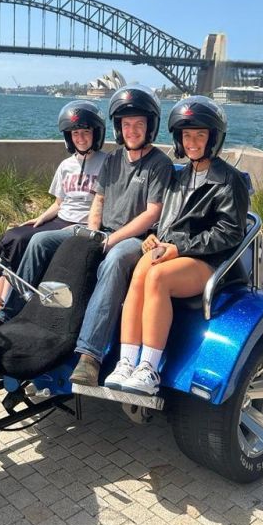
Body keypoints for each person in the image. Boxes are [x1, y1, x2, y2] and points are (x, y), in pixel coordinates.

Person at [0, 85, 173, 390]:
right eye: (126, 125)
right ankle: (10, 314)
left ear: (150, 126)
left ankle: (89, 356)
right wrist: (94, 233)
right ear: (119, 129)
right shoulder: (113, 160)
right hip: (103, 230)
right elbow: (99, 202)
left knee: (115, 261)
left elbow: (152, 213)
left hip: (135, 237)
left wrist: (110, 240)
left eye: (138, 124)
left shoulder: (159, 164)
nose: (132, 130)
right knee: (41, 241)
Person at [104, 95, 249, 396]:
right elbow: (167, 220)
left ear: (213, 138)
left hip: (209, 261)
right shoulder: (180, 176)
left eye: (200, 135)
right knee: (141, 272)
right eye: (187, 135)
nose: (193, 142)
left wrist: (179, 247)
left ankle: (150, 368)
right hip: (173, 250)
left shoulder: (228, 180)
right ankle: (126, 361)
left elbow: (229, 233)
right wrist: (153, 237)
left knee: (158, 276)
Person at [0, 101, 107, 312]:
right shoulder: (66, 165)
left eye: (85, 132)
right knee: (14, 237)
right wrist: (40, 219)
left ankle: (6, 304)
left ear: (96, 133)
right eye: (74, 133)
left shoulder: (107, 163)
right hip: (60, 219)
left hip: (80, 223)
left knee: (32, 241)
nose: (80, 138)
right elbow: (58, 204)